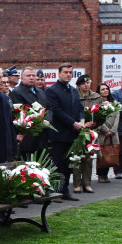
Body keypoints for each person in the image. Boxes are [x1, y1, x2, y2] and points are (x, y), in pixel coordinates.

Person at [42, 63, 85, 201]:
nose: (68, 74)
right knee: (58, 164)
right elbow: (56, 110)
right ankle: (56, 190)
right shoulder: (52, 91)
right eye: (65, 72)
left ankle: (65, 189)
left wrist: (81, 122)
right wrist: (73, 123)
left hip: (73, 133)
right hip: (59, 134)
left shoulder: (73, 90)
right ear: (59, 73)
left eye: (70, 72)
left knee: (68, 165)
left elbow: (79, 108)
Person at [10, 67, 49, 159]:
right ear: (22, 78)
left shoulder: (41, 92)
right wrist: (40, 121)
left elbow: (49, 108)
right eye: (28, 76)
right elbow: (22, 112)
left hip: (42, 139)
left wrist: (48, 119)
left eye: (33, 75)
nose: (31, 78)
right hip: (28, 139)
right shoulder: (17, 92)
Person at [73, 75, 100, 193]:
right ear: (78, 85)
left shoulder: (96, 96)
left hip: (91, 131)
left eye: (88, 83)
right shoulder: (74, 95)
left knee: (89, 158)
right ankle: (77, 184)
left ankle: (87, 183)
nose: (86, 85)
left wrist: (94, 123)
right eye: (83, 83)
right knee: (77, 158)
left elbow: (101, 113)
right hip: (78, 130)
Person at [94, 83, 119, 183]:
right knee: (101, 154)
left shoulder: (114, 103)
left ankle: (106, 174)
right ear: (99, 92)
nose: (105, 91)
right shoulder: (97, 103)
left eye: (107, 89)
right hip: (102, 133)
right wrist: (105, 130)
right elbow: (96, 118)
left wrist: (112, 130)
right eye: (103, 89)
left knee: (110, 153)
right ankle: (100, 174)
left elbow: (117, 117)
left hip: (112, 133)